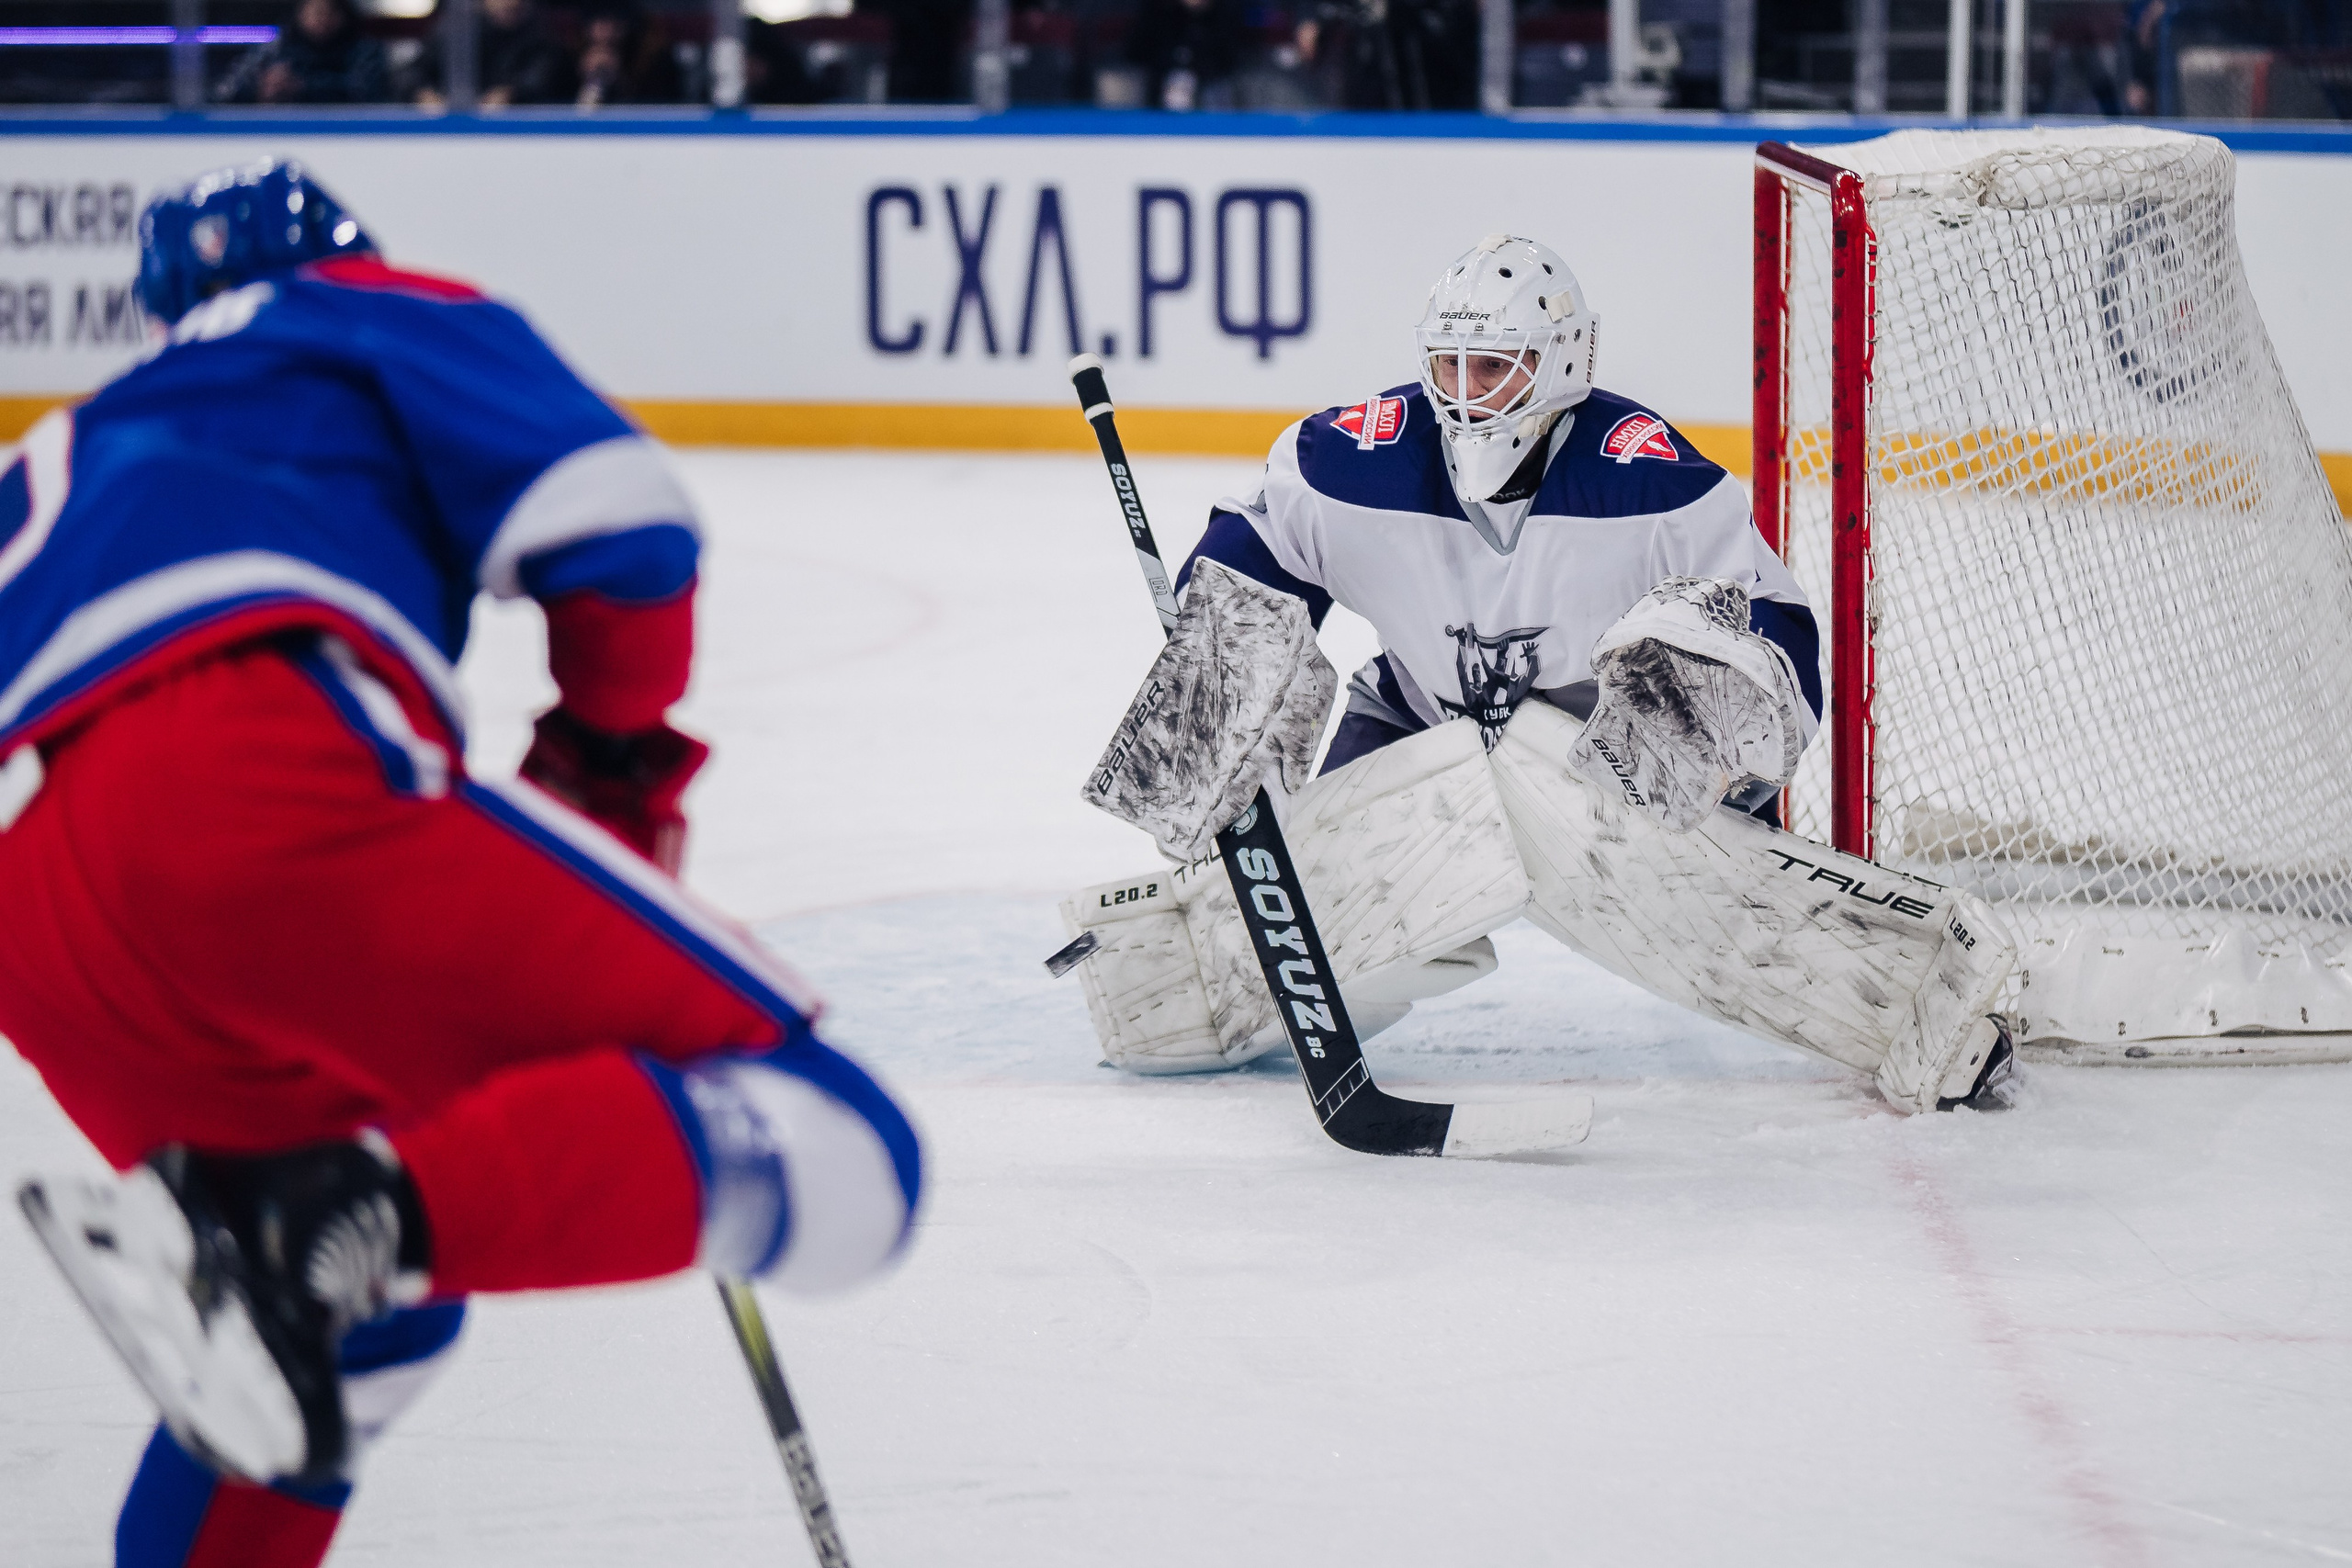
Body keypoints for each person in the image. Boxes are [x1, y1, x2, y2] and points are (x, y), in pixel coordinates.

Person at [2, 161, 921, 1568]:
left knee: (333, 1318)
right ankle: (334, 1216)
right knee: (850, 1146)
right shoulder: (357, 312)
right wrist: (609, 762)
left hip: (39, 924)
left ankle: (313, 1235)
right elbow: (623, 523)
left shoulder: (73, 448)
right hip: (251, 785)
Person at [1063, 233, 2021, 1116]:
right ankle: (1174, 1002)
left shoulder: (1646, 479)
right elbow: (1257, 554)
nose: (1469, 392)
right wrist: (1217, 664)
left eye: (1496, 366)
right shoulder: (1350, 460)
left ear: (1561, 362)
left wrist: (1726, 757)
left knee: (1723, 921)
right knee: (1335, 943)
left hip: (1592, 759)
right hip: (1416, 726)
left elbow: (1777, 637)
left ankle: (1928, 1013)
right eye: (1451, 365)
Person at [216, 0, 390, 105]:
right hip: (274, 135)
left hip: (349, 140)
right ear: (300, 12)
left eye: (331, 12)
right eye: (315, 12)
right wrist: (261, 88)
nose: (323, 19)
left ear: (344, 15)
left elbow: (367, 92)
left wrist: (301, 86)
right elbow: (224, 91)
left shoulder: (364, 50)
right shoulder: (275, 49)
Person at [413, 0, 572, 107]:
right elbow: (410, 73)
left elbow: (543, 79)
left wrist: (512, 94)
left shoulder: (542, 36)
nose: (510, 3)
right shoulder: (456, 34)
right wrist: (421, 92)